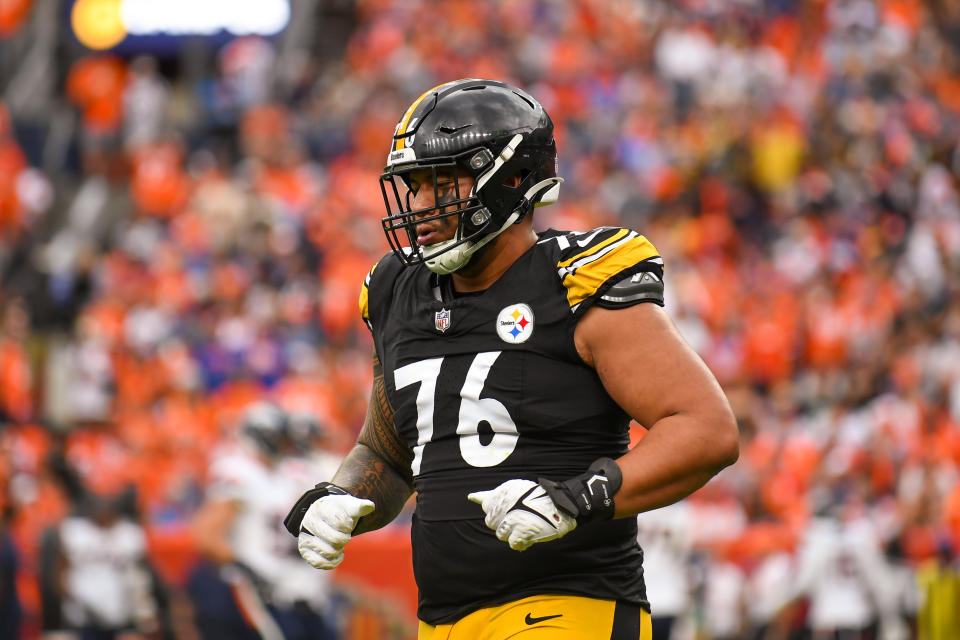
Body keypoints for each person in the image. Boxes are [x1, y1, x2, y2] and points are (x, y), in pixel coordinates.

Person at [284, 78, 739, 640]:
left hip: (567, 609)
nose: (421, 206)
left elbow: (706, 429)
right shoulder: (396, 290)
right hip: (442, 621)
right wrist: (342, 496)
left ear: (513, 178)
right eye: (414, 187)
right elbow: (389, 449)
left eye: (442, 183)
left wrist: (573, 497)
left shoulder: (573, 280)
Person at [191, 402, 337, 640]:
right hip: (256, 593)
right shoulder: (239, 471)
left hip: (292, 590)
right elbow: (207, 535)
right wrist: (247, 570)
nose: (286, 445)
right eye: (281, 438)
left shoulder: (286, 473)